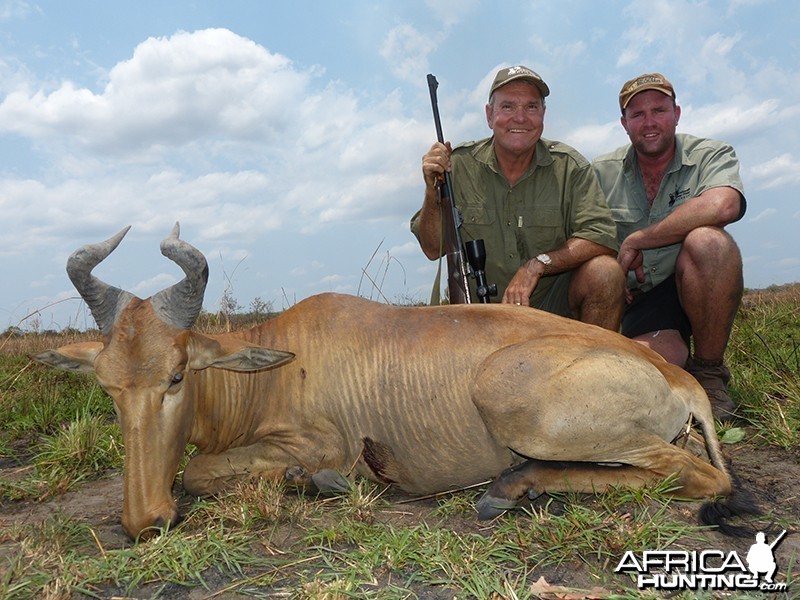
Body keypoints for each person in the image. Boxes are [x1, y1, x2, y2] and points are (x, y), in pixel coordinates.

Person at [411, 65, 624, 330]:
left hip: (551, 311)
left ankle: (596, 366)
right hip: (479, 315)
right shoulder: (457, 165)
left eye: (531, 107)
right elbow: (433, 248)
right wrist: (432, 190)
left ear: (543, 114)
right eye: (508, 107)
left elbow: (600, 236)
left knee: (606, 272)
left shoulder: (570, 166)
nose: (520, 118)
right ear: (490, 116)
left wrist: (537, 265)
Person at [592, 73, 746, 421]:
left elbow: (724, 205)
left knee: (710, 242)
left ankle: (709, 374)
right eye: (637, 114)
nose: (649, 122)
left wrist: (639, 239)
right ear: (624, 123)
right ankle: (674, 359)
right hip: (639, 298)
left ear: (676, 113)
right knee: (654, 365)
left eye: (659, 110)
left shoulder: (711, 153)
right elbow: (587, 231)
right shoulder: (600, 171)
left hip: (690, 282)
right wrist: (613, 275)